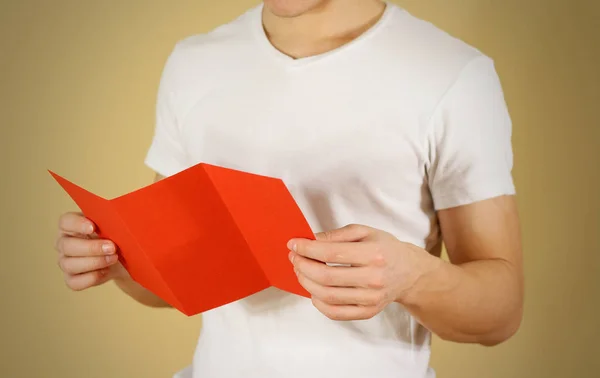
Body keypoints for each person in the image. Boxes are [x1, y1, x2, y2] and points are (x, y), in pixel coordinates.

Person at [53, 0, 524, 377]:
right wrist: (115, 260)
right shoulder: (193, 63)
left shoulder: (453, 74)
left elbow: (501, 313)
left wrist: (414, 276)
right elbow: (172, 280)